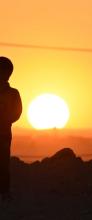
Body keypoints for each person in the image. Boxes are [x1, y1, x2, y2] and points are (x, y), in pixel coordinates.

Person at [0, 57, 22, 202]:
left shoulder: (13, 93)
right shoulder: (13, 93)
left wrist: (5, 120)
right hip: (5, 131)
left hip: (4, 133)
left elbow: (17, 113)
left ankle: (4, 191)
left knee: (3, 163)